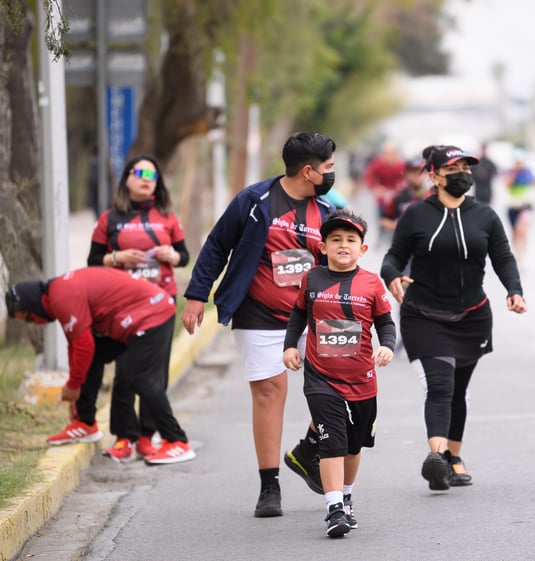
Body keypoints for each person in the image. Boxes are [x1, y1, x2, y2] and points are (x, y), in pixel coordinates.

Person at [181, 131, 337, 518]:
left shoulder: (328, 212)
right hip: (260, 317)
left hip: (315, 318)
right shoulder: (255, 202)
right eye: (329, 167)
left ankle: (308, 450)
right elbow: (217, 244)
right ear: (308, 171)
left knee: (336, 391)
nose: (332, 172)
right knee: (270, 392)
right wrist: (197, 295)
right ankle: (270, 485)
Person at [381, 144, 527, 491]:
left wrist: (514, 290)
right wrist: (393, 277)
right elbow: (393, 257)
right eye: (454, 168)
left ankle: (453, 457)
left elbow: (503, 257)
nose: (463, 173)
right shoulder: (416, 215)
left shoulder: (485, 216)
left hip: (472, 316)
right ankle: (437, 456)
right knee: (440, 385)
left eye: (466, 167)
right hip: (423, 315)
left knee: (459, 389)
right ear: (433, 175)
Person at [5, 268, 196, 465]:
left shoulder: (61, 297)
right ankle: (85, 423)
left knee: (140, 378)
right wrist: (75, 390)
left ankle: (177, 441)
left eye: (28, 317)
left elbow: (83, 346)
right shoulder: (58, 293)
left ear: (33, 306)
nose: (34, 323)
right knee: (94, 357)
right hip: (132, 317)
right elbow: (76, 345)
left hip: (153, 313)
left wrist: (72, 386)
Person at [282, 209, 395, 538]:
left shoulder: (372, 283)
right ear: (322, 247)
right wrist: (290, 347)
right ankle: (334, 509)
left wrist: (386, 346)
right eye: (335, 239)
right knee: (333, 439)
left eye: (350, 240)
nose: (342, 245)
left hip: (362, 378)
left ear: (362, 249)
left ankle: (346, 498)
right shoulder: (311, 279)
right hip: (320, 378)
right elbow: (297, 315)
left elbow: (387, 323)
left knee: (354, 445)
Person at [87, 154, 190, 461]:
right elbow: (92, 261)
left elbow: (184, 255)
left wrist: (171, 256)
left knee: (154, 374)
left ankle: (148, 435)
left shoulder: (167, 216)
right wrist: (116, 258)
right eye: (140, 172)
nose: (147, 178)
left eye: (152, 174)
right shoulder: (110, 218)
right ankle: (124, 437)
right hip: (122, 308)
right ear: (127, 179)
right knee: (125, 371)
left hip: (161, 305)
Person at [362, 140, 406, 246]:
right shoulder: (378, 164)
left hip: (397, 197)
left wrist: (402, 186)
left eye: (392, 153)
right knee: (381, 216)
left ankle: (397, 236)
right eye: (386, 153)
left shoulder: (401, 165)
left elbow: (406, 178)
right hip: (383, 197)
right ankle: (381, 236)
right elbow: (369, 177)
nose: (389, 156)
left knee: (399, 215)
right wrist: (376, 188)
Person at [378, 156, 429, 235]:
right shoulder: (397, 196)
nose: (417, 175)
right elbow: (383, 220)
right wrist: (394, 225)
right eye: (413, 171)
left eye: (420, 171)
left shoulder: (432, 195)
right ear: (405, 173)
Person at [505, 154, 535, 263]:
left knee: (522, 231)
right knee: (514, 233)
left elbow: (532, 183)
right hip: (512, 206)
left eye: (520, 162)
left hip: (526, 207)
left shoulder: (527, 173)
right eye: (517, 162)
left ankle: (523, 256)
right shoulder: (510, 172)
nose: (519, 165)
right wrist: (514, 173)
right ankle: (517, 254)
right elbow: (507, 184)